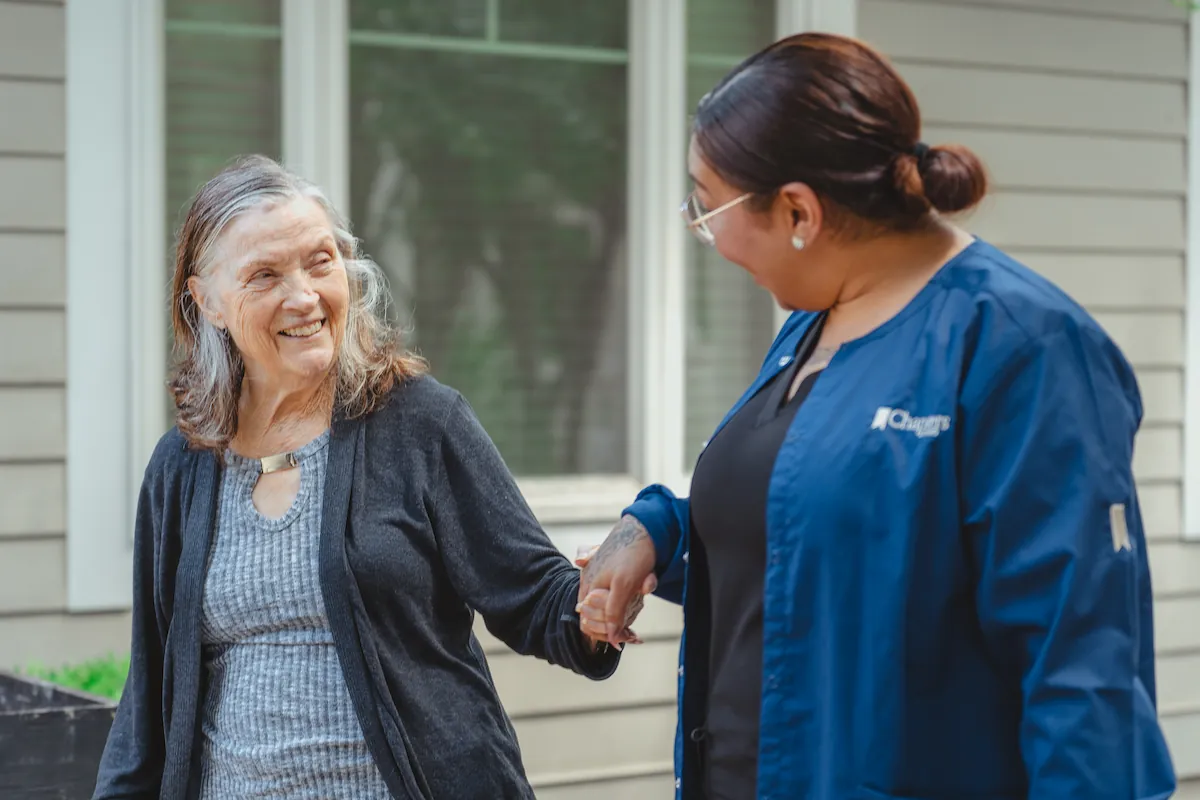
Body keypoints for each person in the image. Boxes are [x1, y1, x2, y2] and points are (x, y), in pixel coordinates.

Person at [576, 32, 1177, 800]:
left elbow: (1081, 675)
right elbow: (821, 533)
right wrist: (654, 529)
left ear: (799, 210)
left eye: (708, 205)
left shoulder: (1022, 348)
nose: (704, 232)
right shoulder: (815, 323)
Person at [92, 155, 620, 800]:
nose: (305, 296)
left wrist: (602, 597)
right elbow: (149, 693)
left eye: (320, 261)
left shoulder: (422, 424)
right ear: (208, 303)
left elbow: (534, 594)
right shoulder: (182, 465)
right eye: (264, 275)